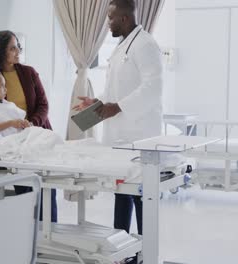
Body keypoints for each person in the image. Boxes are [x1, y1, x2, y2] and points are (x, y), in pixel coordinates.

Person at [73, 0, 163, 239]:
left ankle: (145, 250)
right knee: (122, 191)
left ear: (124, 18)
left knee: (141, 194)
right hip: (120, 137)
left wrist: (119, 107)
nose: (107, 23)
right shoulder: (122, 47)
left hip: (139, 135)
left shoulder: (145, 45)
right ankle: (122, 247)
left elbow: (153, 88)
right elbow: (115, 90)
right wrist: (97, 103)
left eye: (111, 18)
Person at [0, 30, 57, 222]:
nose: (18, 51)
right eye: (12, 48)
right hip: (16, 143)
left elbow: (43, 105)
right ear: (1, 51)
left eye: (18, 47)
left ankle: (49, 231)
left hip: (36, 131)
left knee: (49, 188)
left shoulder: (29, 73)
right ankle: (29, 235)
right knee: (26, 190)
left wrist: (31, 125)